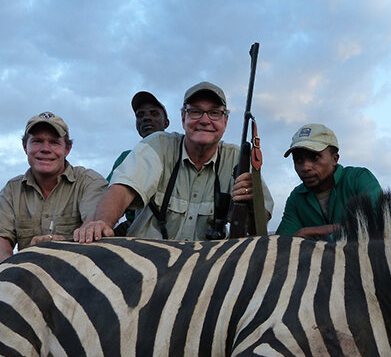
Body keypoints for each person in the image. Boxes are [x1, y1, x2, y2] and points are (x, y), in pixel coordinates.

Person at [74, 81, 273, 242]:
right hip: (148, 261)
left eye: (214, 113)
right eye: (195, 111)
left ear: (225, 121)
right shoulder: (158, 145)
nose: (205, 120)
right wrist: (101, 222)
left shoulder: (236, 158)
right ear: (183, 117)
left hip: (207, 270)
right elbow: (122, 189)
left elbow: (259, 226)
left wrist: (251, 203)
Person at [0, 112, 108, 297]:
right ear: (25, 147)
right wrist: (15, 266)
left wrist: (58, 248)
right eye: (37, 141)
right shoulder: (12, 189)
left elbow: (94, 223)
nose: (45, 148)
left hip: (75, 278)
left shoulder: (89, 181)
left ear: (67, 149)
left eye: (54, 142)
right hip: (24, 278)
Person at [276, 123, 381, 239]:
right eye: (298, 160)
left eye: (315, 157)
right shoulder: (296, 197)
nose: (305, 167)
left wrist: (311, 231)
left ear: (334, 159)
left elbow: (379, 224)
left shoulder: (359, 179)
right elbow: (283, 242)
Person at [107, 91, 170, 235]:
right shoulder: (126, 157)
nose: (146, 118)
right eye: (140, 115)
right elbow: (106, 195)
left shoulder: (180, 154)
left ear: (166, 122)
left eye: (154, 113)